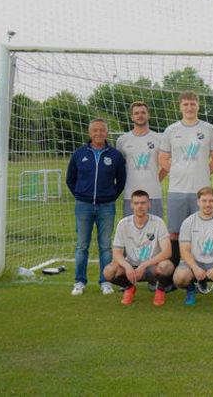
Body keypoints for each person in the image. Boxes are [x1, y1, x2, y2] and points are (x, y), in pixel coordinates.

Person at [158, 91, 213, 277]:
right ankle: (174, 275)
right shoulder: (171, 130)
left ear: (198, 105)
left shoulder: (209, 129)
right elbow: (163, 158)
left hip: (201, 192)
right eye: (185, 104)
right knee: (175, 233)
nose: (189, 107)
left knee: (199, 232)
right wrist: (177, 172)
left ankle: (198, 274)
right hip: (177, 190)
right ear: (180, 107)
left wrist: (203, 172)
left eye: (193, 104)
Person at [65, 118, 126, 296]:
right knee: (82, 246)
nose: (98, 133)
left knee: (105, 246)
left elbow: (121, 181)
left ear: (106, 132)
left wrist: (110, 196)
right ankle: (79, 282)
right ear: (89, 133)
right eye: (95, 130)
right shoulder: (79, 154)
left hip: (106, 206)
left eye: (101, 130)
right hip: (83, 206)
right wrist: (80, 195)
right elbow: (70, 179)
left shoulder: (115, 155)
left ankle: (105, 281)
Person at [103, 190, 174, 306]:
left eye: (143, 203)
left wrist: (144, 265)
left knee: (167, 266)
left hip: (151, 267)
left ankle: (160, 290)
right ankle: (129, 288)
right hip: (131, 268)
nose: (140, 206)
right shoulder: (123, 224)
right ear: (131, 205)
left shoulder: (158, 223)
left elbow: (167, 252)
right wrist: (127, 266)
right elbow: (116, 253)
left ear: (149, 204)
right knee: (108, 271)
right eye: (136, 203)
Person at [116, 101, 167, 219]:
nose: (140, 115)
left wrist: (156, 179)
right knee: (131, 229)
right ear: (132, 117)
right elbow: (119, 168)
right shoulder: (122, 140)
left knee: (155, 228)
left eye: (143, 112)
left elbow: (167, 163)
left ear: (148, 115)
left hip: (153, 194)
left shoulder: (159, 138)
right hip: (130, 195)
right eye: (136, 113)